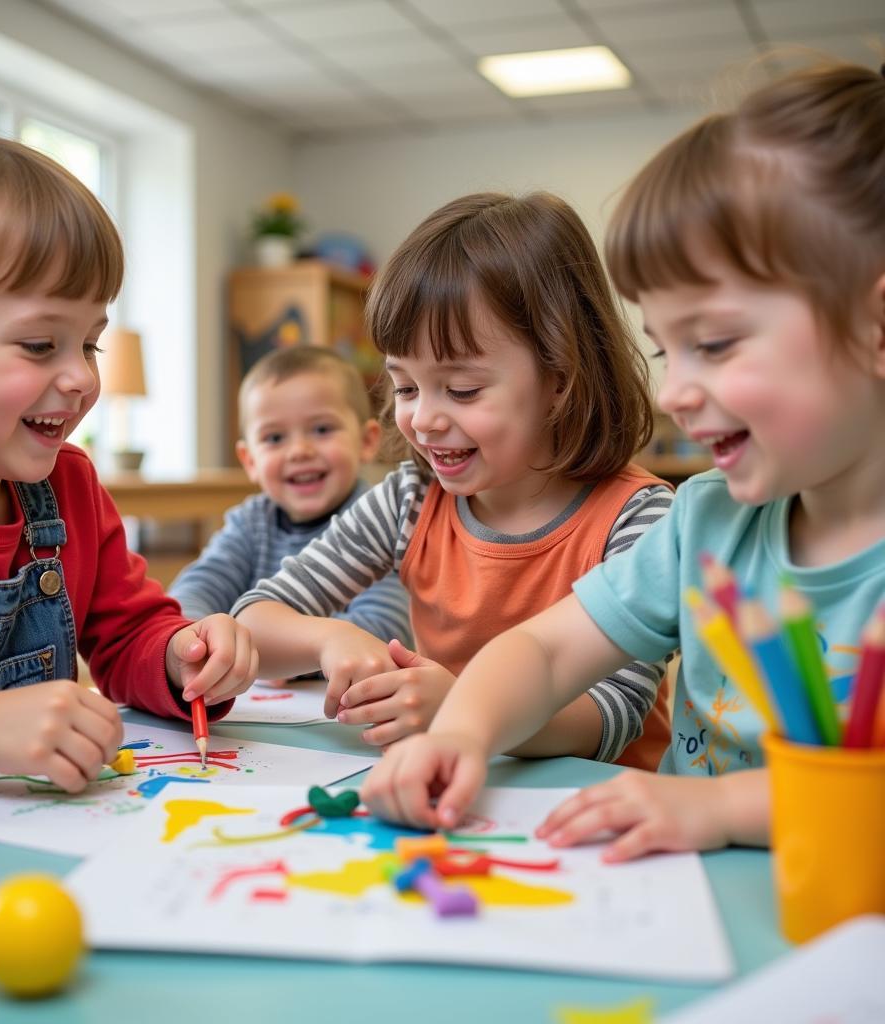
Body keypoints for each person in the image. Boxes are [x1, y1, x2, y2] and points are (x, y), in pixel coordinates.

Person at [361, 61, 885, 860]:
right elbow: (542, 649)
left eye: (712, 344)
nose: (675, 392)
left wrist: (719, 809)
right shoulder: (708, 521)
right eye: (665, 351)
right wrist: (463, 731)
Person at [0, 127, 257, 793]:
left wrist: (179, 656)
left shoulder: (68, 486)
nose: (80, 378)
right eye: (42, 344)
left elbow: (128, 630)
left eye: (91, 344)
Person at [234, 191, 674, 763]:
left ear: (560, 379)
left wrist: (465, 711)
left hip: (596, 811)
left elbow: (615, 712)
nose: (423, 418)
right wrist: (329, 638)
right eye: (405, 387)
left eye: (462, 390)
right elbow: (257, 614)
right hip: (452, 789)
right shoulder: (410, 499)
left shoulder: (638, 517)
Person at [168, 346, 411, 648]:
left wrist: (281, 653)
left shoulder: (381, 520)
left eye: (322, 429)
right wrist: (195, 640)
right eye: (274, 438)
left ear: (366, 441)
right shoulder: (249, 524)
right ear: (250, 461)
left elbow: (385, 628)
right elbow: (194, 592)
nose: (299, 451)